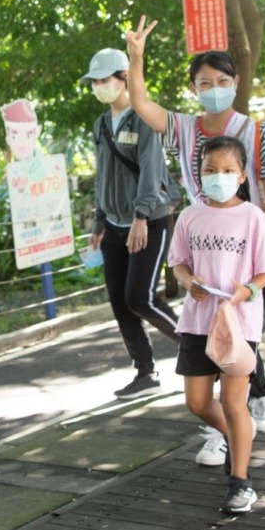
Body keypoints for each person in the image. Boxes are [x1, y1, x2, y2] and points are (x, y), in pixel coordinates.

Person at [123, 16, 265, 454]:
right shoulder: (184, 129)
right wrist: (136, 57)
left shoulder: (258, 132)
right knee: (211, 338)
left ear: (235, 83)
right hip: (203, 255)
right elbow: (141, 102)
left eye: (222, 80)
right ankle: (238, 417)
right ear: (194, 88)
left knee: (238, 333)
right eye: (204, 81)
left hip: (249, 254)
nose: (213, 87)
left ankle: (240, 418)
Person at [167, 136, 265, 514]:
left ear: (242, 174)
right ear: (199, 174)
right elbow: (179, 262)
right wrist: (188, 282)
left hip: (239, 324)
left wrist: (247, 289)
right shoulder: (190, 215)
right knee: (197, 403)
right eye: (210, 170)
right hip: (198, 321)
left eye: (228, 170)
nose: (219, 177)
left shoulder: (253, 217)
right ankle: (238, 437)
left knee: (234, 403)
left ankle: (241, 482)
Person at [83, 47, 179, 398]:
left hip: (149, 220)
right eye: (94, 82)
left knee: (141, 297)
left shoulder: (143, 118)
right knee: (121, 303)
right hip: (113, 224)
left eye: (104, 80)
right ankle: (145, 372)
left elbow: (152, 172)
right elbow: (102, 175)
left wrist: (140, 216)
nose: (98, 86)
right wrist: (98, 221)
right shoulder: (101, 124)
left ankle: (198, 347)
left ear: (124, 78)